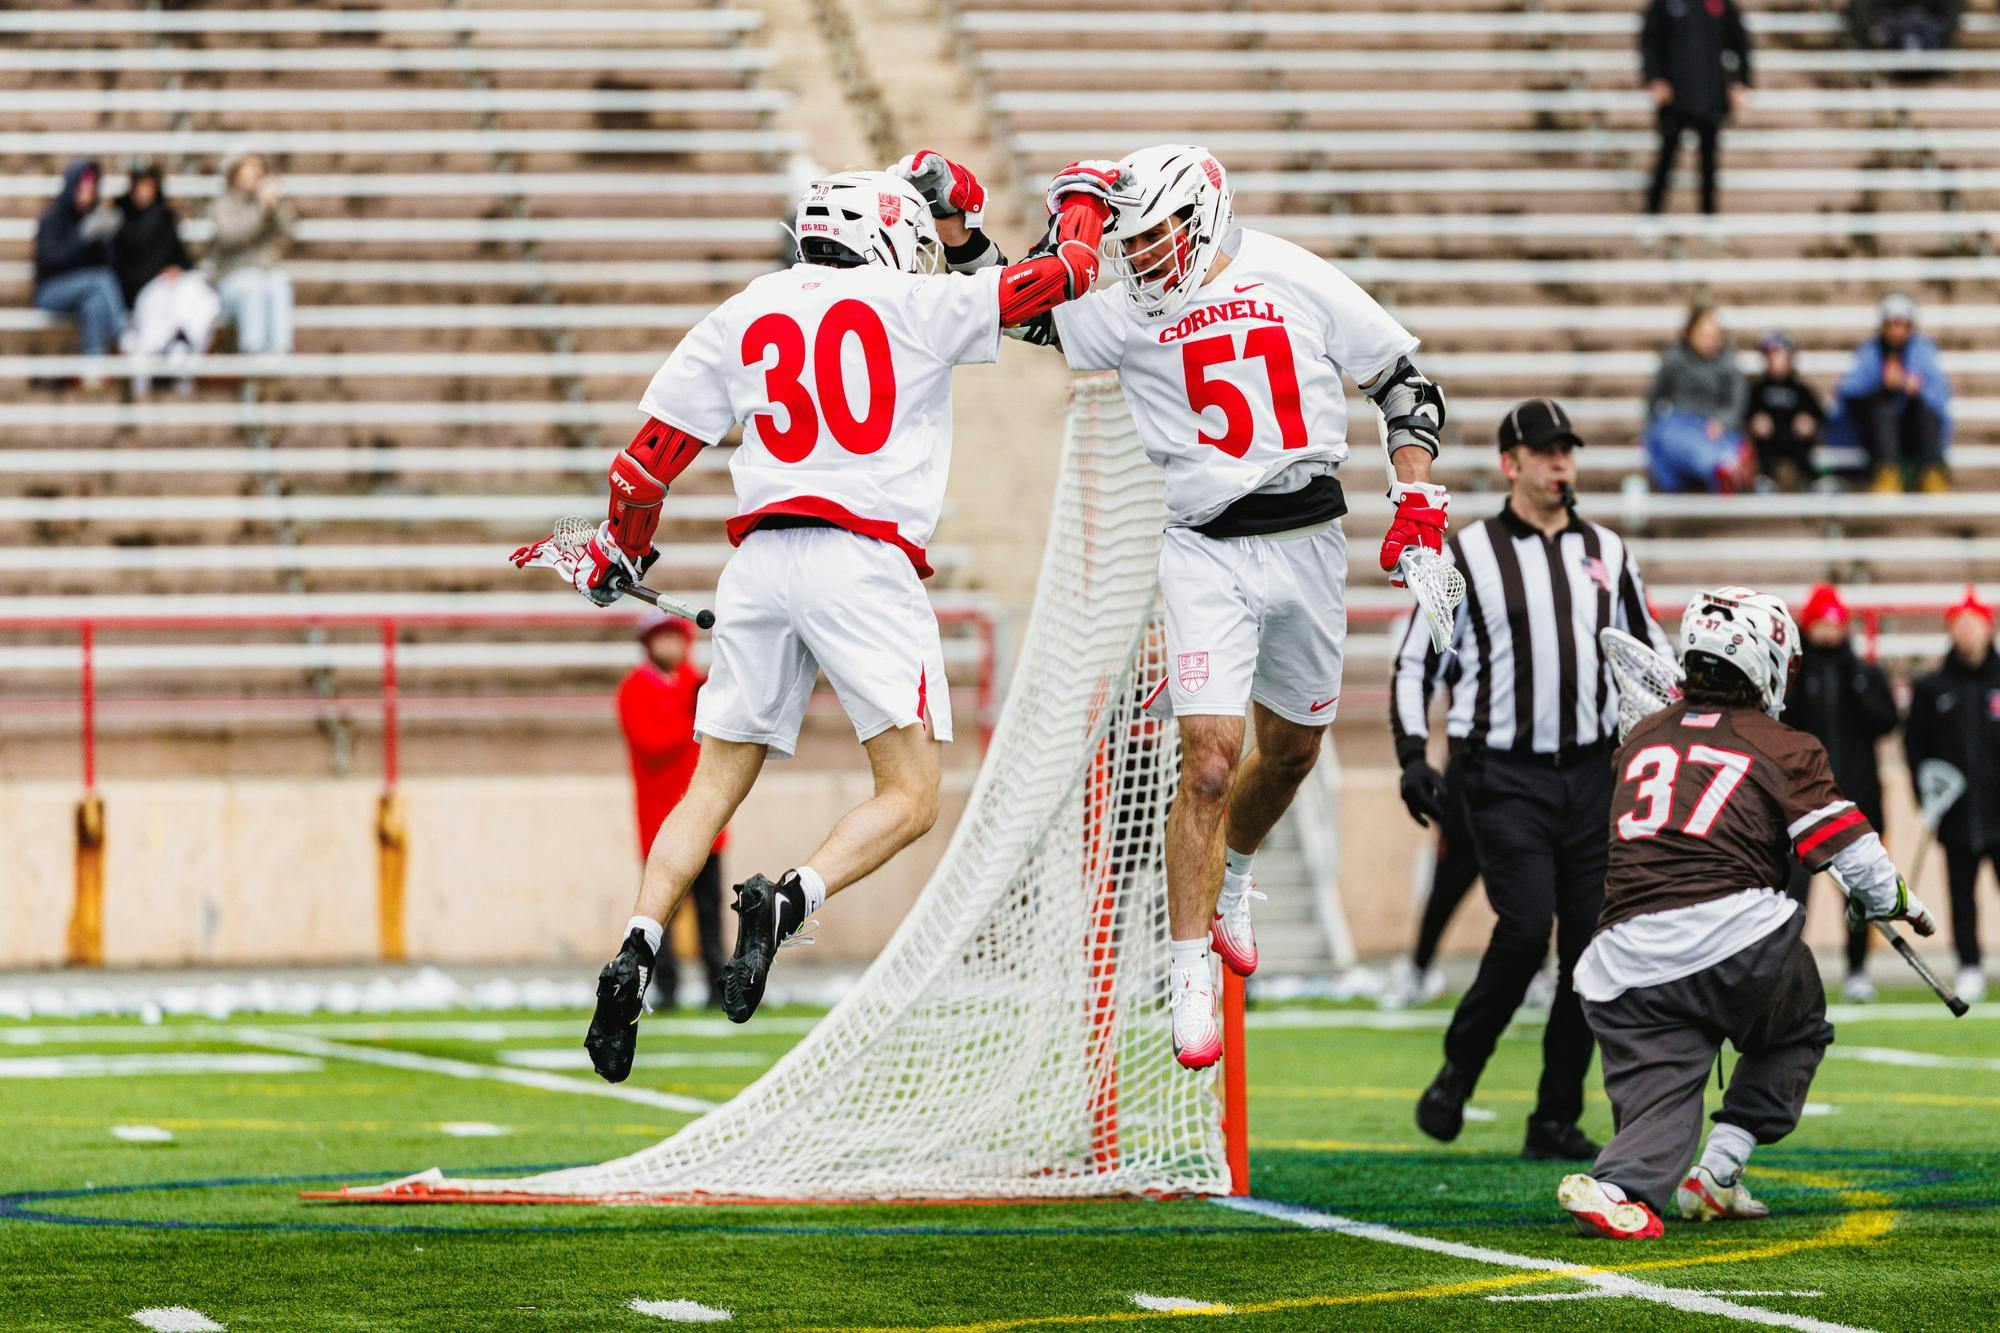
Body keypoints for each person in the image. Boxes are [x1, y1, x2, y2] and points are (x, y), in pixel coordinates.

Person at [520, 165, 1111, 1079]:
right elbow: (1058, 277)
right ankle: (790, 900)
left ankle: (636, 947)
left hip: (758, 562)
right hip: (863, 559)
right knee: (911, 795)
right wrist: (1079, 199)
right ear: (882, 232)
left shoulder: (745, 308)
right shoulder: (911, 297)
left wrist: (627, 553)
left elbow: (640, 471)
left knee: (709, 788)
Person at [900, 145, 1452, 1069]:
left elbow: (1406, 383)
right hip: (1202, 548)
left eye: (1156, 237)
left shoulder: (1292, 273)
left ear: (1201, 218)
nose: (1143, 258)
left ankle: (1235, 877)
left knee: (1293, 752)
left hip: (1311, 538)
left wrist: (1418, 497)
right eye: (1133, 239)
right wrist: (959, 229)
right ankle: (1188, 966)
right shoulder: (1122, 310)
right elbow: (1005, 303)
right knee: (1207, 758)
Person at [1558, 586, 1935, 1239]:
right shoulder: (1785, 746)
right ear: (1765, 660)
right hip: (1736, 938)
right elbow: (1857, 857)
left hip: (1624, 959)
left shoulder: (1641, 737)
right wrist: (1904, 904)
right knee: (1796, 1030)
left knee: (1663, 1092)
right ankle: (1719, 1170)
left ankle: (1622, 1184)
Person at [1396, 399, 1671, 1162]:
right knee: (1524, 929)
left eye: (1568, 451)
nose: (1561, 464)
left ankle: (1554, 1115)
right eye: (1546, 451)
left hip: (1589, 773)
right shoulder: (1469, 552)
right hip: (1500, 772)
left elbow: (1652, 655)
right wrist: (1413, 752)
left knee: (1590, 950)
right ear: (1511, 462)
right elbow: (1419, 658)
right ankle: (1459, 1070)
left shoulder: (1609, 553)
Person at [1782, 584, 1899, 1002]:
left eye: (1836, 623)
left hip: (1855, 802)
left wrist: (1854, 676)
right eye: (1822, 623)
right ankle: (1785, 970)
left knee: (1858, 895)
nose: (1830, 632)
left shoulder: (1864, 673)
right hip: (1800, 804)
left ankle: (1856, 971)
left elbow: (1885, 720)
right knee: (1793, 895)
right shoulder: (1793, 674)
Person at [617, 609, 726, 1010]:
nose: (670, 646)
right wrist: (689, 713)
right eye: (661, 638)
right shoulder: (635, 690)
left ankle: (719, 983)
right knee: (662, 911)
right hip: (660, 821)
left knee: (711, 911)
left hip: (706, 818)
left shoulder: (698, 685)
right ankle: (664, 987)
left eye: (675, 637)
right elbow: (652, 742)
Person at [1903, 590, 1999, 1004]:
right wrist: (1927, 798)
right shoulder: (1932, 687)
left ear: (1988, 626)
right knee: (1962, 895)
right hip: (1957, 813)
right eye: (1959, 623)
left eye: (1973, 622)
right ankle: (1970, 966)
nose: (1967, 631)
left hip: (1999, 809)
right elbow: (1915, 747)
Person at [1826, 293, 1952, 494]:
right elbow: (1848, 393)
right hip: (1876, 435)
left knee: (1926, 413)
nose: (1895, 330)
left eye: (1900, 324)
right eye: (1891, 324)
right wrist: (1882, 386)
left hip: (1913, 431)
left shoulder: (1924, 351)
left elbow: (1940, 397)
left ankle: (1932, 471)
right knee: (1883, 409)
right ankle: (1887, 471)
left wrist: (1915, 390)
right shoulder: (1869, 352)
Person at [113, 161, 221, 391]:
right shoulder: (120, 222)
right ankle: (160, 353)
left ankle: (182, 346)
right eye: (140, 186)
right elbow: (119, 269)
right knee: (162, 301)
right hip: (141, 291)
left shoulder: (166, 219)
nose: (144, 192)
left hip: (172, 288)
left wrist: (175, 271)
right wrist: (156, 275)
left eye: (149, 186)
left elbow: (182, 259)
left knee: (196, 292)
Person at [1640, 0, 1752, 216]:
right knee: (1667, 155)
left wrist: (1741, 82)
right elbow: (1650, 40)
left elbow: (1740, 41)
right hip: (1675, 96)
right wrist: (1654, 78)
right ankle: (1652, 211)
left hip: (1711, 95)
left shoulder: (1720, 4)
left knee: (1709, 159)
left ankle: (1708, 214)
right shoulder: (1665, 4)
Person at [1643, 304, 1752, 493]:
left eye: (1714, 335)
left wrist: (1723, 421)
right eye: (1705, 334)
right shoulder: (1674, 358)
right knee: (1670, 440)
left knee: (1716, 443)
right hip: (1680, 422)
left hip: (1713, 425)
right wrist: (1649, 426)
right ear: (1690, 332)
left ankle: (1725, 468)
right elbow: (1655, 396)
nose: (1710, 340)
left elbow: (1737, 398)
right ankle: (1721, 468)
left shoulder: (1727, 361)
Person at [32, 158, 126, 365]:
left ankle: (93, 363)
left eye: (92, 188)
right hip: (51, 291)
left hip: (86, 290)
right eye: (83, 187)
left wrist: (107, 237)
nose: (87, 193)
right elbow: (50, 261)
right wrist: (81, 237)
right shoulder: (53, 217)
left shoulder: (93, 217)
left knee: (93, 302)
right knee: (99, 280)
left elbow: (108, 264)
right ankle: (123, 334)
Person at [206, 150, 296, 355]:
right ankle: (253, 348)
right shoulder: (224, 204)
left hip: (265, 274)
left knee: (279, 281)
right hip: (232, 277)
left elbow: (288, 234)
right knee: (252, 285)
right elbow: (231, 235)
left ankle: (280, 349)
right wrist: (261, 209)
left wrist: (276, 207)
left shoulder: (270, 203)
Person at [1744, 331, 1824, 490]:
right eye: (1772, 355)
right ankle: (1764, 479)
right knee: (1762, 446)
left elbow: (1819, 416)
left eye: (1780, 355)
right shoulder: (1756, 389)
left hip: (1795, 439)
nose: (1776, 360)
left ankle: (1816, 481)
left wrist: (1810, 423)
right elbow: (1745, 414)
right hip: (1768, 439)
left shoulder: (1802, 390)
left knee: (1803, 449)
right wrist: (1754, 421)